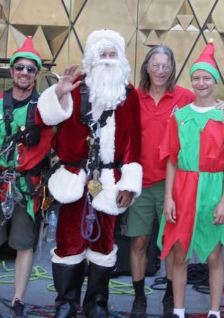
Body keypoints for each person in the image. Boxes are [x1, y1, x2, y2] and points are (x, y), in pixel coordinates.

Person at [37, 29, 142, 317]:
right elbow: (45, 118)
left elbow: (134, 142)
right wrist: (58, 93)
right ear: (91, 59)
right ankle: (66, 305)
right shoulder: (74, 86)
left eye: (113, 55)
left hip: (107, 181)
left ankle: (97, 305)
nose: (108, 61)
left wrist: (130, 184)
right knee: (69, 241)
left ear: (121, 60)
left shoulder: (129, 95)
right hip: (73, 177)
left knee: (103, 243)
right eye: (103, 55)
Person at [0, 37, 53, 318]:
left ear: (36, 74)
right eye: (20, 68)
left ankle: (17, 302)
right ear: (11, 71)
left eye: (30, 69)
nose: (24, 73)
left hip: (28, 188)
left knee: (24, 245)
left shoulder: (45, 110)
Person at [159, 40, 224, 318]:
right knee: (180, 255)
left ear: (215, 81)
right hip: (183, 188)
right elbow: (172, 159)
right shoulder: (180, 116)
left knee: (213, 256)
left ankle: (214, 311)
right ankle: (179, 310)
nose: (201, 82)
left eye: (206, 77)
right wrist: (169, 198)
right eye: (196, 78)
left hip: (213, 187)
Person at [125, 45, 195, 318]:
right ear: (146, 67)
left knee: (173, 246)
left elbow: (209, 115)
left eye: (166, 65)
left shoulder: (186, 97)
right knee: (139, 242)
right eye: (155, 65)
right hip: (139, 184)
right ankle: (139, 297)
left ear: (172, 68)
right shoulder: (133, 98)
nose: (161, 71)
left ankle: (169, 297)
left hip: (174, 185)